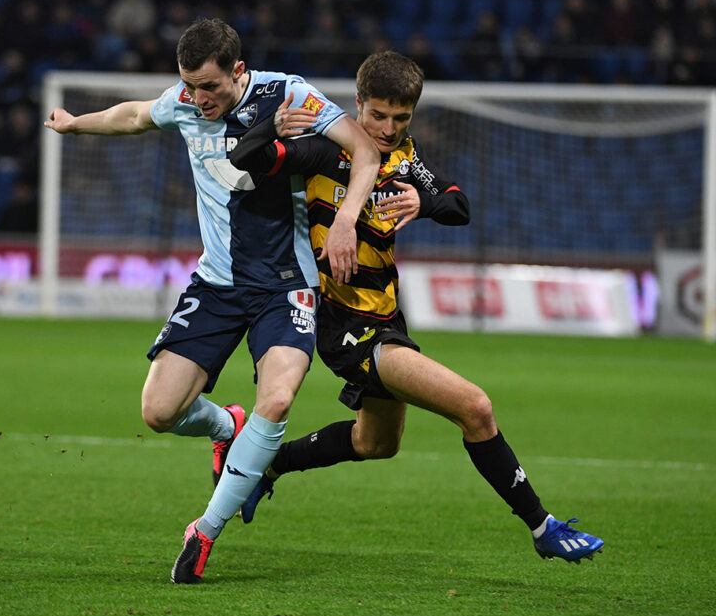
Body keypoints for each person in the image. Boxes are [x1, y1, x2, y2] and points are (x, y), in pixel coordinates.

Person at [228, 51, 604, 564]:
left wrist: (421, 203)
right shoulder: (322, 150)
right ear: (357, 103)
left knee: (375, 443)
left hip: (387, 318)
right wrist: (270, 124)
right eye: (378, 115)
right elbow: (249, 157)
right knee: (475, 407)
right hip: (345, 325)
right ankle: (543, 527)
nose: (387, 128)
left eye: (400, 119)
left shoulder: (405, 158)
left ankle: (267, 465)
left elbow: (458, 205)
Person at [44, 18, 381, 584]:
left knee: (277, 400)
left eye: (210, 87)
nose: (197, 99)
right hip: (217, 285)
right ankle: (227, 426)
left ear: (238, 72)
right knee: (158, 412)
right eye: (189, 86)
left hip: (284, 285)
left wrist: (346, 220)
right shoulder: (184, 101)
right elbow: (132, 115)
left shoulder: (288, 94)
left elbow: (365, 151)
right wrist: (76, 124)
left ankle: (204, 531)